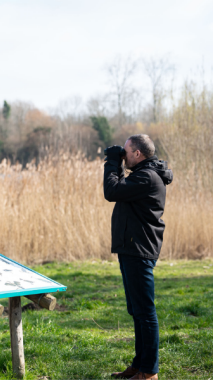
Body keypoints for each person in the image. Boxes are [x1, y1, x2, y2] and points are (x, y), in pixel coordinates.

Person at [103, 134, 173, 380]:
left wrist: (111, 162)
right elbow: (121, 192)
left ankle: (149, 372)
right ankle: (140, 365)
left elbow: (111, 191)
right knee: (137, 310)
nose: (123, 154)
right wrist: (119, 165)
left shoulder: (147, 177)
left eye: (125, 151)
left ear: (138, 154)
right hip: (132, 248)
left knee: (145, 312)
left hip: (139, 249)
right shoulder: (143, 175)